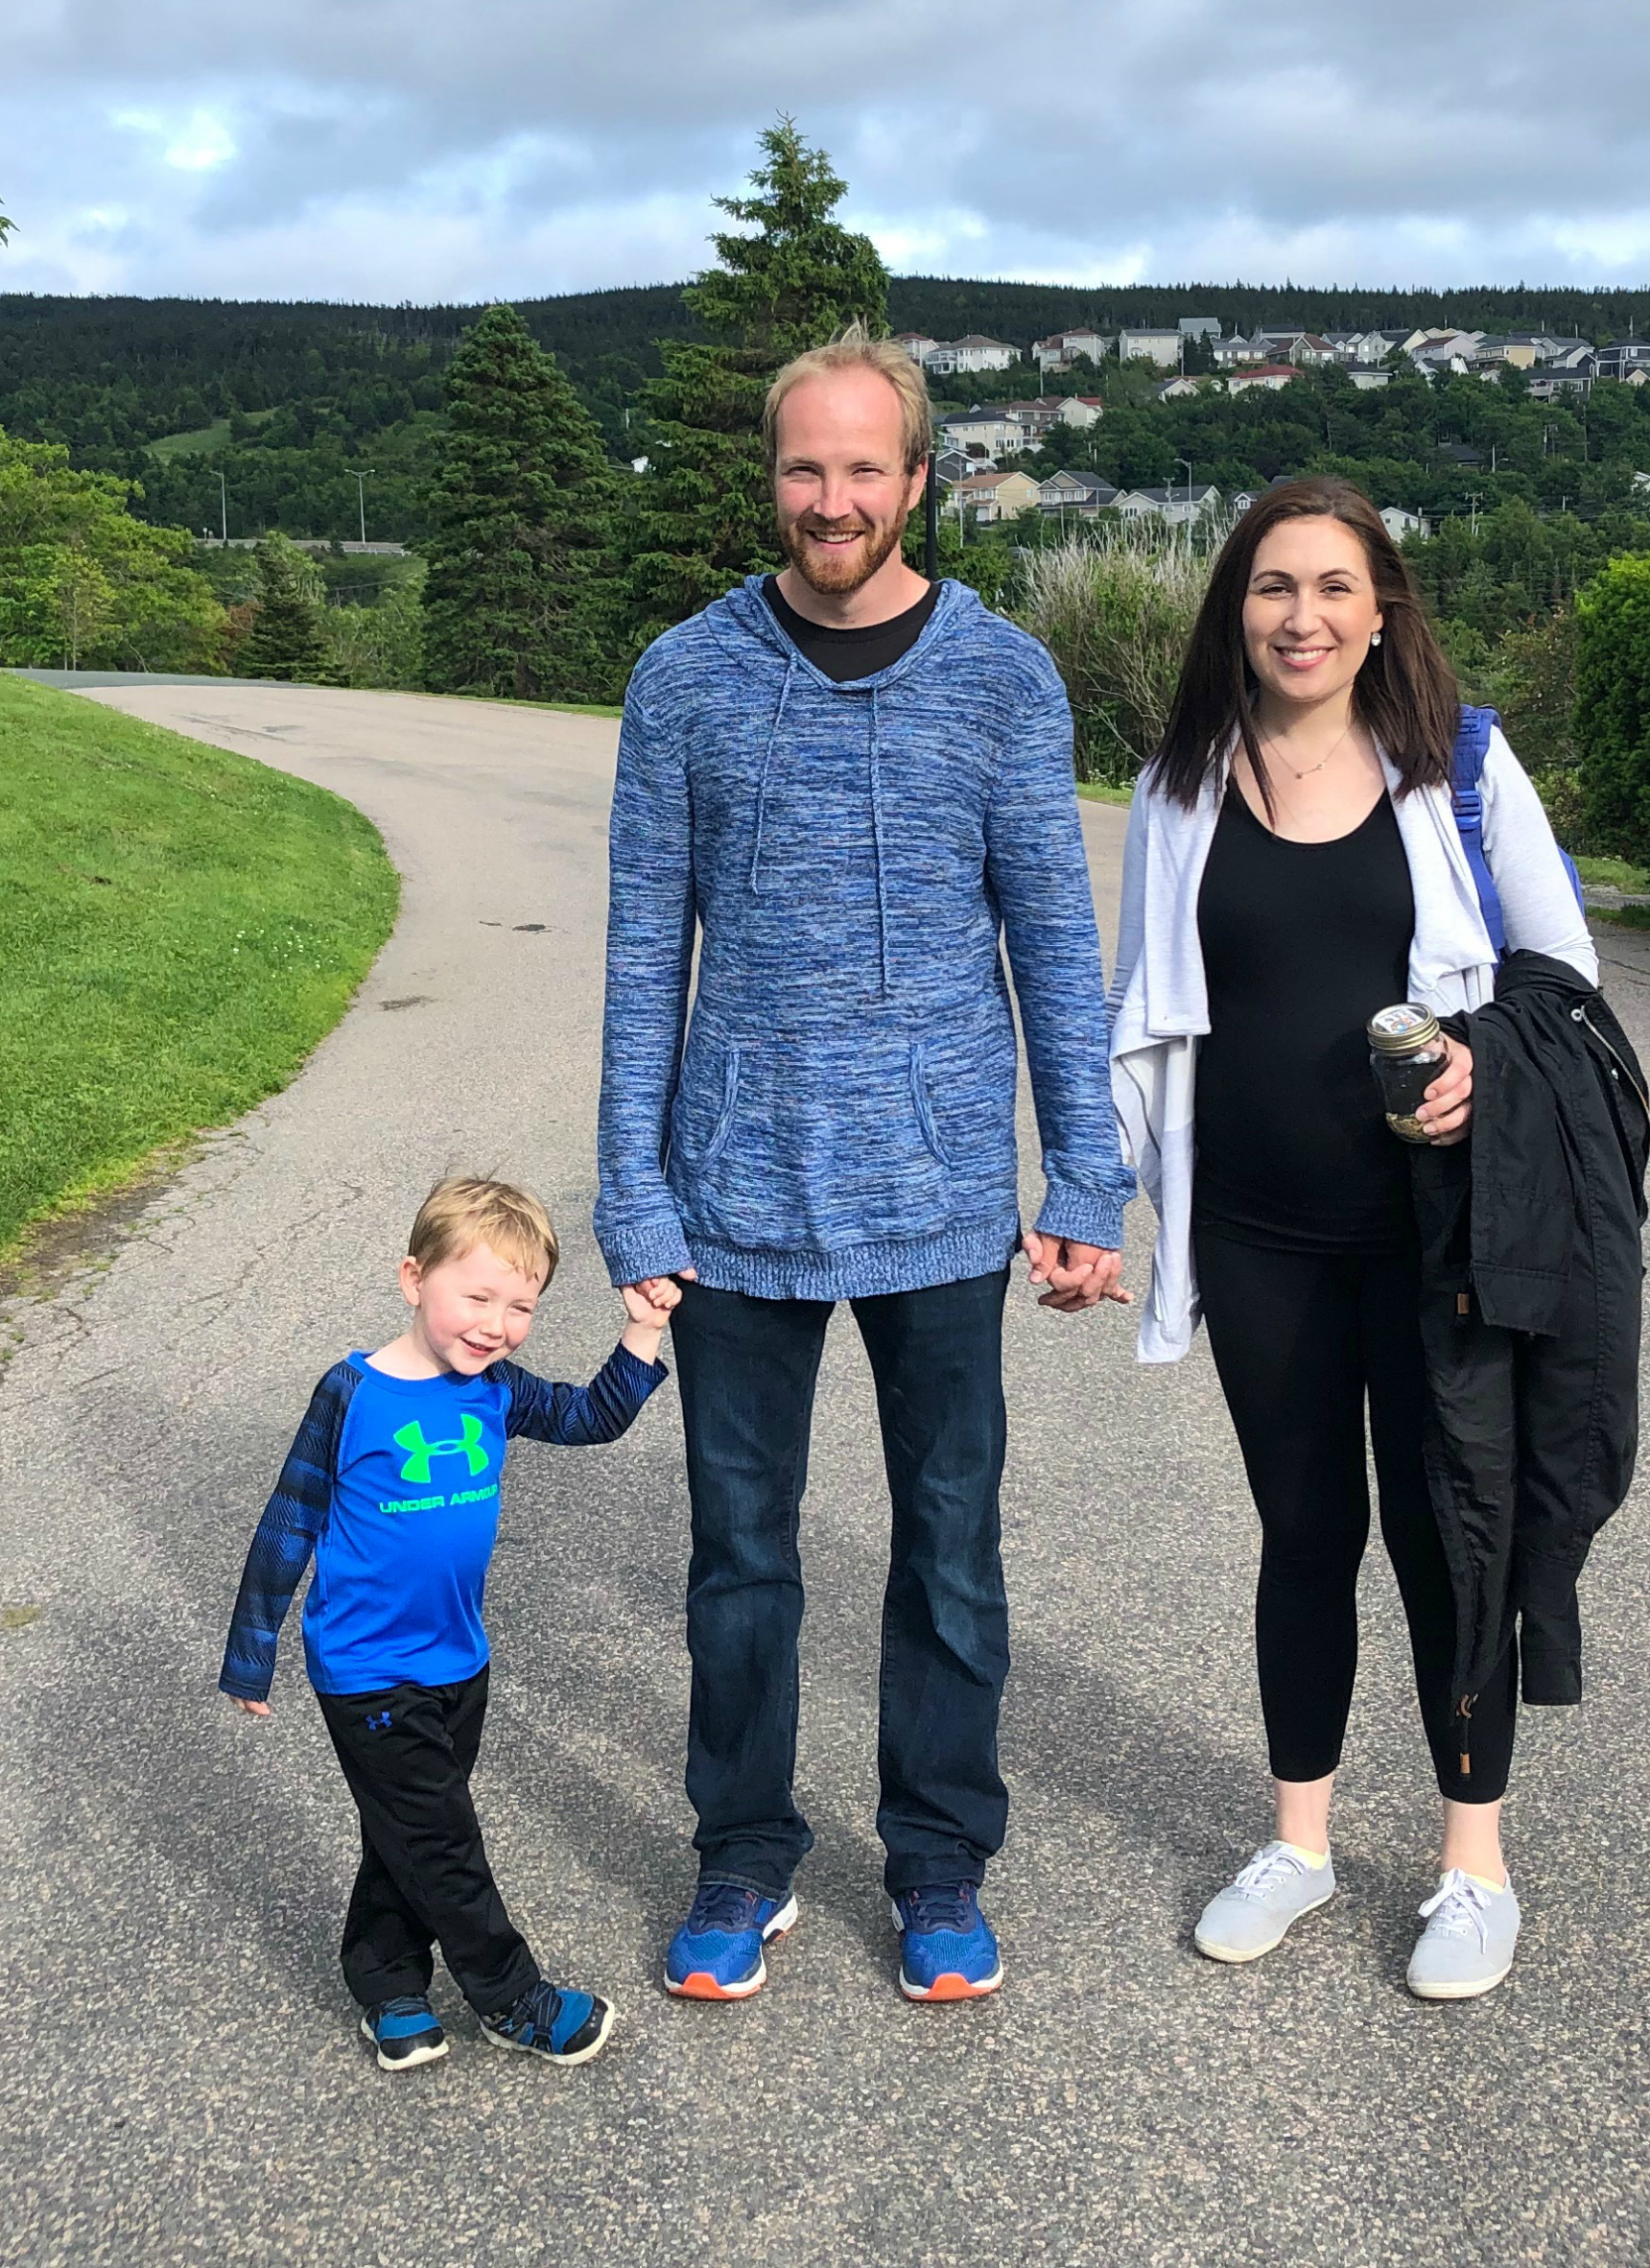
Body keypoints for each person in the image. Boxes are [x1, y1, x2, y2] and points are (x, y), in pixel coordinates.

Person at [597, 323, 1133, 2006]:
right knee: (739, 1550)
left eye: (861, 467)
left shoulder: (1001, 679)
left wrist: (1082, 1182)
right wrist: (634, 1184)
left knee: (947, 1538)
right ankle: (741, 1848)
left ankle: (937, 1855)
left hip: (939, 1192)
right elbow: (636, 958)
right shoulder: (681, 676)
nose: (830, 498)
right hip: (735, 1190)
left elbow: (1054, 938)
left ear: (918, 480)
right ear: (770, 478)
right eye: (800, 467)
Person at [1106, 477, 1645, 2001]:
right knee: (1304, 1535)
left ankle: (1476, 1865)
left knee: (1441, 1537)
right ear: (1237, 607)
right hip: (1262, 1239)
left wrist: (1485, 1067)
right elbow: (1143, 1014)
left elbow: (1565, 966)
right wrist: (1102, 1198)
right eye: (1275, 588)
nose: (1303, 617)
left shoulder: (1456, 766)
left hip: (1434, 1237)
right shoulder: (1180, 780)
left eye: (1335, 588)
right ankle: (1302, 1843)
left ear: (1382, 608)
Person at [220, 1176, 676, 2071]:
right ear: (413, 1278)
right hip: (366, 1670)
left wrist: (644, 1327)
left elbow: (592, 1417)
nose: (497, 1324)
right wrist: (251, 1652)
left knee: (408, 1834)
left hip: (459, 1660)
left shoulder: (496, 1391)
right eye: (477, 1296)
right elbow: (289, 1520)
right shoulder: (352, 1395)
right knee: (442, 1839)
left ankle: (387, 1984)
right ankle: (513, 1999)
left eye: (521, 1306)